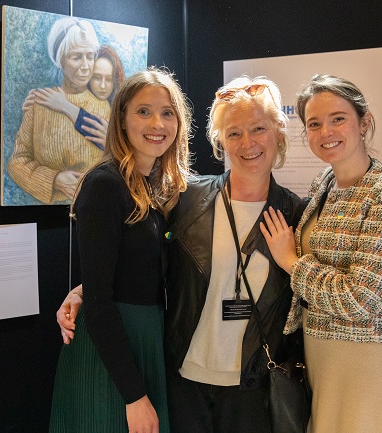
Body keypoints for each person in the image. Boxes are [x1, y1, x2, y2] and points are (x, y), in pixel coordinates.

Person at [57, 76, 307, 433]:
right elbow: (136, 262)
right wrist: (85, 290)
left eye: (258, 129)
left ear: (279, 132)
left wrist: (293, 264)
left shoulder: (297, 215)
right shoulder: (187, 198)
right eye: (234, 132)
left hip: (253, 389)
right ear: (219, 140)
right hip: (182, 381)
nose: (247, 143)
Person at [259, 74, 382, 433]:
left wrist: (291, 262)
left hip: (373, 359)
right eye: (314, 124)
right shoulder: (324, 184)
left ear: (363, 123)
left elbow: (363, 297)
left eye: (338, 119)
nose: (325, 131)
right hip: (321, 354)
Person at [48, 67, 192, 433]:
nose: (156, 122)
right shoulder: (104, 185)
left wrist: (80, 290)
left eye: (167, 112)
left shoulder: (161, 187)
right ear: (122, 120)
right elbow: (101, 301)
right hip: (111, 353)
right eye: (143, 111)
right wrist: (134, 396)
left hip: (146, 339)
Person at [7, 17, 110, 204]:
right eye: (76, 57)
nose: (86, 66)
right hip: (47, 217)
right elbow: (16, 161)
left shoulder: (104, 107)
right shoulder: (39, 104)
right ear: (59, 60)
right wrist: (54, 180)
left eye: (90, 56)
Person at [23, 44, 125, 150]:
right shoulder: (81, 99)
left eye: (109, 79)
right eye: (97, 78)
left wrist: (65, 105)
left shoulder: (119, 112)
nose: (102, 86)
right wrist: (36, 103)